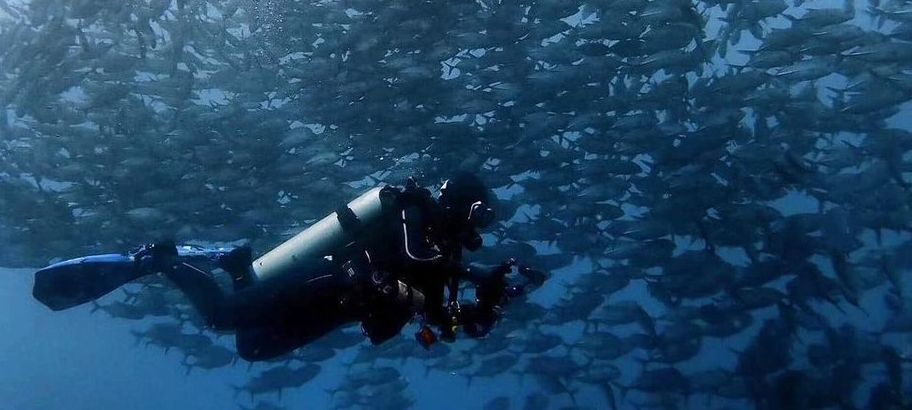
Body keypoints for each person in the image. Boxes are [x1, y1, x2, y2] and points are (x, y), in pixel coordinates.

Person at [33, 173, 545, 361]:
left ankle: (237, 266)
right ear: (463, 205)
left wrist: (485, 308)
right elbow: (412, 258)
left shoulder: (447, 257)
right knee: (221, 318)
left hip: (342, 309)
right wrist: (480, 276)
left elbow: (439, 316)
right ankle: (160, 260)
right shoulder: (416, 211)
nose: (481, 227)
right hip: (331, 277)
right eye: (481, 215)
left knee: (253, 347)